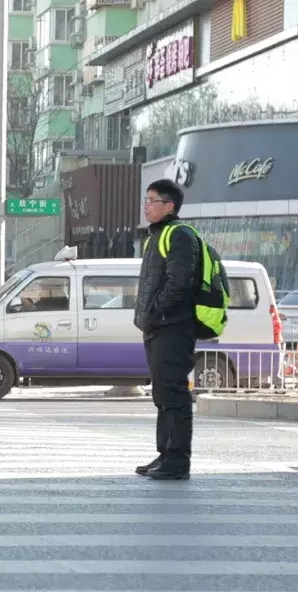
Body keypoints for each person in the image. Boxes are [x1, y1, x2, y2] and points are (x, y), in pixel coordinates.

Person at [133, 179, 199, 481]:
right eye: (146, 200)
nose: (147, 206)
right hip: (158, 327)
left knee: (174, 393)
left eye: (152, 200)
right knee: (162, 392)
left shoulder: (180, 235)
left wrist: (157, 311)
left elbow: (179, 282)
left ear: (169, 205)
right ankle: (164, 454)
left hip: (173, 327)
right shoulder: (157, 235)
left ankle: (178, 460)